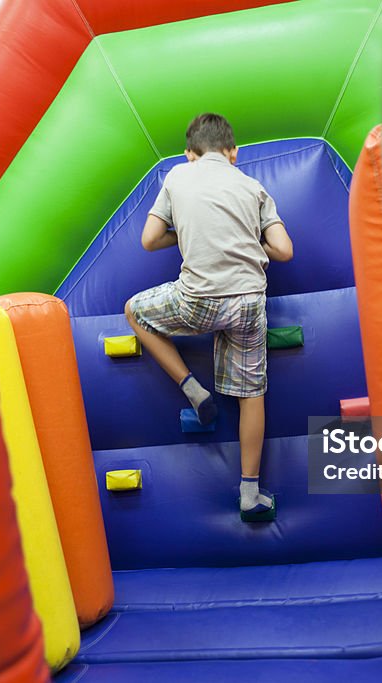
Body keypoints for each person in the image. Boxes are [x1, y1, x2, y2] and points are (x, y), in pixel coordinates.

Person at [124, 113, 294, 517]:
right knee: (253, 395)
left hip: (198, 300)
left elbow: (149, 241)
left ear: (189, 154)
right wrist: (249, 242)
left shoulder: (178, 176)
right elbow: (285, 250)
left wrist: (184, 232)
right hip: (249, 303)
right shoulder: (253, 186)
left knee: (135, 311)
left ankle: (192, 388)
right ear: (233, 153)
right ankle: (251, 493)